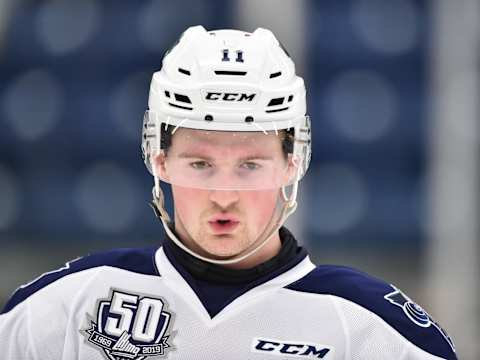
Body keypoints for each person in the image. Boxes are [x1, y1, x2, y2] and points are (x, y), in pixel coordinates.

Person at [0, 26, 456, 360]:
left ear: (292, 162)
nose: (224, 194)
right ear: (158, 159)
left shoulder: (372, 332)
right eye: (200, 163)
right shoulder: (68, 304)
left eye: (250, 165)